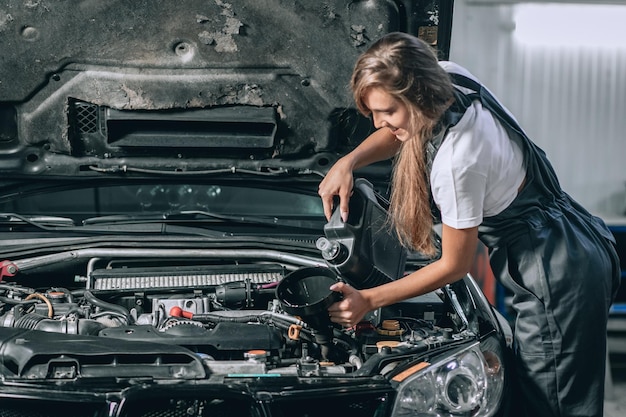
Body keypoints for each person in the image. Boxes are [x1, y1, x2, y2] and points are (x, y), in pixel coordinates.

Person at [318, 32, 620, 417]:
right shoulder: (449, 77)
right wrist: (349, 161)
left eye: (387, 112)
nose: (378, 122)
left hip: (555, 270)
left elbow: (453, 266)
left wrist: (370, 300)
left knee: (549, 407)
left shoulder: (457, 163)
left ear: (417, 97)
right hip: (574, 236)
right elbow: (400, 133)